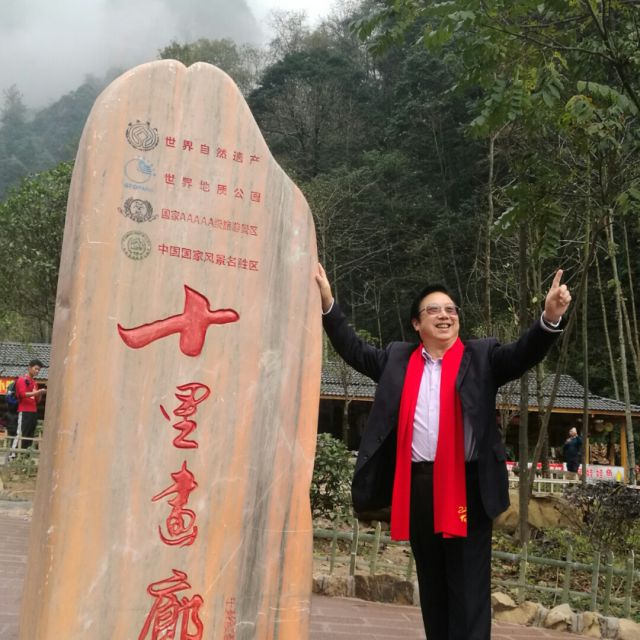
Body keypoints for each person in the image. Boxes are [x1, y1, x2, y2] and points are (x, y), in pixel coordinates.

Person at [315, 264, 571, 640]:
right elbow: (352, 348)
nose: (444, 315)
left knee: (468, 590)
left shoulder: (481, 357)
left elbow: (523, 354)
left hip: (466, 486)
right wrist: (327, 302)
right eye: (434, 309)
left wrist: (549, 318)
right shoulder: (397, 360)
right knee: (433, 587)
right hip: (418, 486)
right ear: (416, 323)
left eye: (451, 309)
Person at [11, 359, 46, 456]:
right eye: (36, 369)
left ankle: (24, 457)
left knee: (30, 435)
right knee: (21, 433)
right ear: (29, 368)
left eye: (39, 370)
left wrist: (40, 393)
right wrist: (37, 392)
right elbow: (22, 394)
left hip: (33, 411)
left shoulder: (34, 383)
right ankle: (12, 456)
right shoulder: (22, 379)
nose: (37, 371)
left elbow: (37, 401)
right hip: (24, 411)